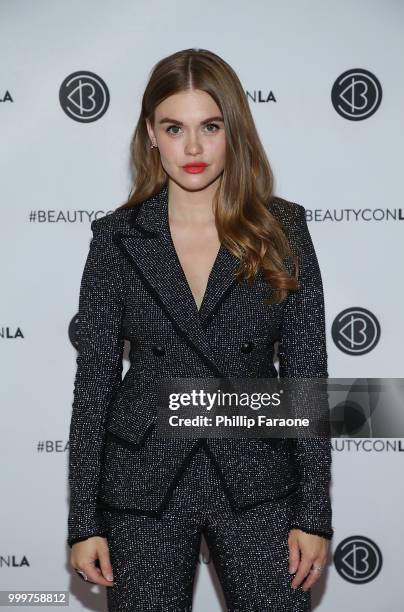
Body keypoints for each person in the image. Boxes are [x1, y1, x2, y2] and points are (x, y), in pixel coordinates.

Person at [67, 48, 334, 611]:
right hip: (143, 485)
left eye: (209, 127)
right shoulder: (117, 238)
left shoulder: (282, 229)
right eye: (174, 127)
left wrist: (314, 512)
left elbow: (306, 371)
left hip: (259, 480)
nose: (191, 148)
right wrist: (83, 519)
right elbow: (95, 382)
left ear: (232, 131)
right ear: (150, 134)